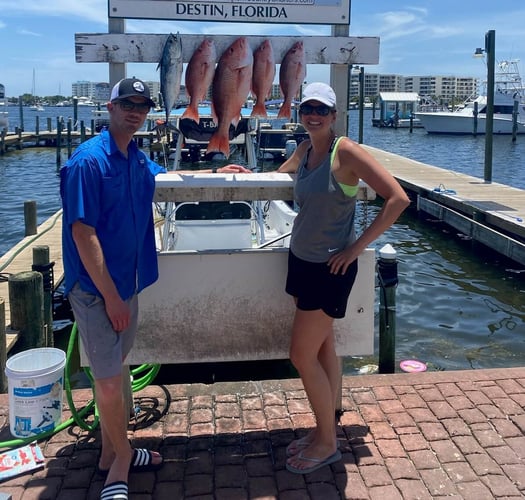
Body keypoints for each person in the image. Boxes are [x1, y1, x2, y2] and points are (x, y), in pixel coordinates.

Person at [60, 77, 249, 500]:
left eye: (142, 106)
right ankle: (121, 463)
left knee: (120, 367)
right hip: (97, 290)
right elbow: (81, 233)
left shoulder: (134, 158)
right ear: (110, 108)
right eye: (127, 103)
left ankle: (113, 452)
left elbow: (168, 175)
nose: (135, 112)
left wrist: (215, 171)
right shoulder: (86, 163)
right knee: (108, 381)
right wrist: (110, 297)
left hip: (127, 284)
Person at [277, 82, 410, 474]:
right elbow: (279, 175)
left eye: (321, 109)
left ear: (334, 115)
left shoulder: (345, 151)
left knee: (300, 355)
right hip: (301, 261)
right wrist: (238, 171)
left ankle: (327, 443)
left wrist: (355, 249)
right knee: (322, 349)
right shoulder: (304, 150)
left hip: (329, 268)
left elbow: (398, 198)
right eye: (307, 109)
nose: (313, 115)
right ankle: (327, 424)